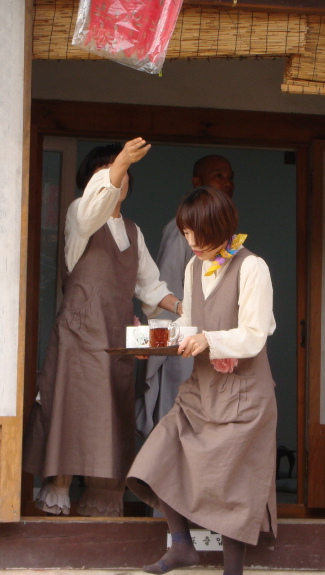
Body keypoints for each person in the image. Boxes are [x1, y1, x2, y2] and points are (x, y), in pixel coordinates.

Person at [23, 138, 182, 518]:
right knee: (70, 411)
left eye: (124, 171)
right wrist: (122, 159)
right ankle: (57, 492)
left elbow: (151, 287)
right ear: (91, 181)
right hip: (79, 336)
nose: (118, 176)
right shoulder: (80, 215)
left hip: (117, 339)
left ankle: (102, 499)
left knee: (110, 417)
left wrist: (185, 308)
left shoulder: (133, 230)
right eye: (109, 171)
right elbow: (94, 207)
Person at [127, 187, 277, 575]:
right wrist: (152, 343)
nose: (192, 242)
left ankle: (233, 571)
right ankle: (182, 546)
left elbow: (255, 334)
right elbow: (189, 323)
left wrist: (209, 340)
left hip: (244, 393)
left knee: (232, 483)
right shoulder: (195, 267)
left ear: (222, 227)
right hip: (202, 389)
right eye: (186, 234)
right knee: (162, 454)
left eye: (199, 234)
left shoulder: (252, 267)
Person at [136, 155, 235, 438]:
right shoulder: (182, 231)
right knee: (179, 427)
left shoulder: (231, 242)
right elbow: (165, 293)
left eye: (230, 177)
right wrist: (161, 348)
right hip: (184, 347)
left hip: (218, 347)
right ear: (197, 182)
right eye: (219, 175)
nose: (227, 183)